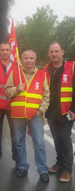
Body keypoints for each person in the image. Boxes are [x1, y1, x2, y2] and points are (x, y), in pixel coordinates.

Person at [4, 50, 50, 183]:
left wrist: (41, 110)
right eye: (26, 58)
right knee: (19, 142)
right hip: (18, 115)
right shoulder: (14, 73)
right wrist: (16, 89)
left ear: (35, 60)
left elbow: (46, 95)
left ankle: (42, 170)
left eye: (31, 58)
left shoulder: (42, 75)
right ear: (22, 60)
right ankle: (23, 166)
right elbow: (7, 91)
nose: (28, 60)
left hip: (35, 115)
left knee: (39, 143)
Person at [43, 42, 75, 182]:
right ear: (49, 54)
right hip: (51, 111)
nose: (54, 54)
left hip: (66, 111)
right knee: (56, 139)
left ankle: (67, 169)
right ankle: (60, 162)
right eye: (51, 52)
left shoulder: (72, 67)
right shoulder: (46, 68)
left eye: (56, 51)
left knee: (65, 139)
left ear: (62, 52)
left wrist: (73, 109)